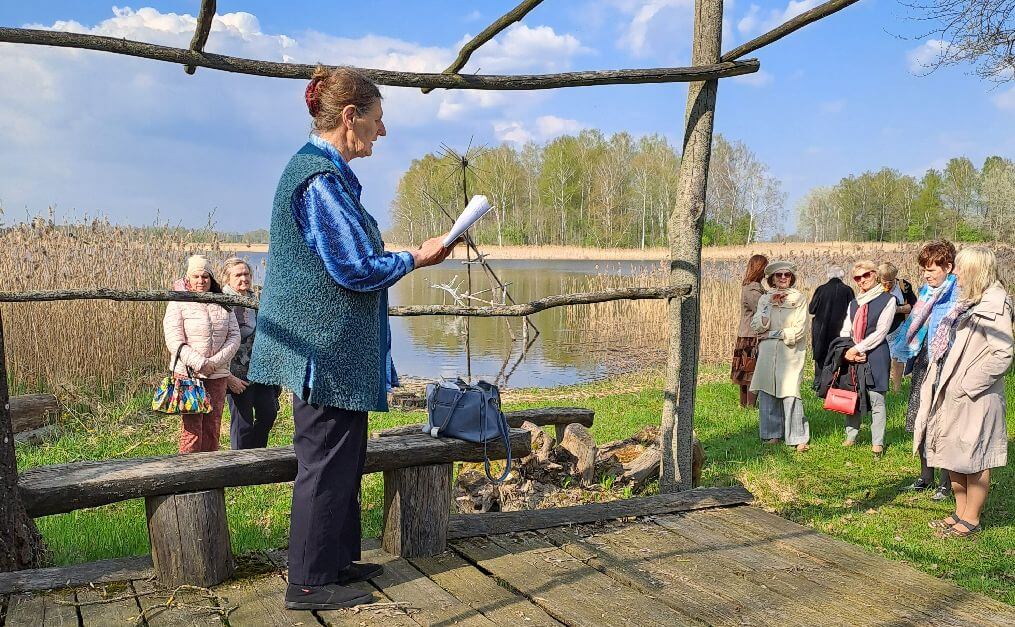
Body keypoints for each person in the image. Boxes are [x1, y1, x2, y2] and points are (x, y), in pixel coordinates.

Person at [248, 66, 455, 611]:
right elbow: (355, 267)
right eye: (378, 120)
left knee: (343, 457)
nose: (381, 132)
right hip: (324, 353)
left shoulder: (324, 174)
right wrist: (418, 256)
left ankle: (336, 562)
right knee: (323, 463)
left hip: (334, 351)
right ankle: (310, 582)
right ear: (349, 118)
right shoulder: (318, 180)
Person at [914, 247, 1012, 538]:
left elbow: (1003, 354)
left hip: (975, 397)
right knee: (952, 453)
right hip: (948, 388)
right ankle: (959, 510)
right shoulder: (967, 301)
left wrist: (967, 384)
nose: (955, 272)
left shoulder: (996, 305)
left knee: (975, 456)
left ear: (976, 270)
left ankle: (972, 517)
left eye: (960, 268)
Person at [892, 241, 959, 500]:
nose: (926, 275)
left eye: (931, 269)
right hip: (925, 358)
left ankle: (945, 482)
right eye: (924, 270)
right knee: (920, 413)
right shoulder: (926, 291)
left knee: (942, 419)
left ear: (948, 267)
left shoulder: (957, 293)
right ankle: (925, 475)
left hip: (946, 360)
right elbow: (919, 323)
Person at [162, 254, 240, 453]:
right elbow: (174, 340)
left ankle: (211, 478)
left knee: (213, 427)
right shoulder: (178, 302)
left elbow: (234, 336)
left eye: (205, 276)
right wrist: (200, 363)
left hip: (217, 374)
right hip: (189, 375)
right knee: (192, 429)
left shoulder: (223, 303)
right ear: (188, 278)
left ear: (211, 278)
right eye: (196, 276)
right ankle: (187, 477)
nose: (201, 281)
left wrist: (214, 363)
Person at [749, 261, 810, 451]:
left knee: (791, 391)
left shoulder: (799, 298)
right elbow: (758, 326)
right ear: (771, 279)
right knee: (768, 390)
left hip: (790, 352)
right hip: (768, 352)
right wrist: (769, 306)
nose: (783, 278)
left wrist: (774, 334)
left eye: (787, 275)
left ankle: (798, 437)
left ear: (792, 278)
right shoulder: (765, 299)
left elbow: (799, 330)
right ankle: (772, 434)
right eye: (779, 275)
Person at [221, 258, 280, 450]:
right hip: (236, 372)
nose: (243, 278)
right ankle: (238, 466)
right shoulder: (221, 303)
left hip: (260, 370)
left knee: (268, 413)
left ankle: (257, 457)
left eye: (246, 274)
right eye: (238, 275)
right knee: (242, 422)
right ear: (227, 279)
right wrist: (228, 377)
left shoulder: (256, 300)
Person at [839, 260, 896, 457]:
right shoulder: (854, 303)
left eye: (866, 275)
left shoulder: (888, 300)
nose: (862, 280)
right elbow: (847, 328)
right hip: (854, 354)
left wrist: (858, 348)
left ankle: (877, 442)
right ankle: (851, 435)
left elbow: (881, 332)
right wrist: (849, 350)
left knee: (877, 398)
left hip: (877, 354)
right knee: (852, 395)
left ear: (874, 274)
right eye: (858, 277)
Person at [731, 254, 768, 408]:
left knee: (745, 372)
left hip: (746, 334)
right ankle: (750, 406)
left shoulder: (749, 286)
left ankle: (744, 405)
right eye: (765, 267)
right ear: (760, 269)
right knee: (751, 372)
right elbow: (762, 311)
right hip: (752, 336)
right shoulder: (754, 289)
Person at [808, 265, 855, 381]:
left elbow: (811, 309)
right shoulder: (848, 290)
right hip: (841, 329)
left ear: (828, 275)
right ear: (842, 276)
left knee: (820, 355)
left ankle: (818, 382)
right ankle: (836, 381)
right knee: (838, 355)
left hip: (821, 329)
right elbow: (854, 311)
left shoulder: (821, 289)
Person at [878, 261, 917, 392]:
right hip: (881, 329)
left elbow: (914, 306)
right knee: (883, 359)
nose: (887, 284)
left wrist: (898, 309)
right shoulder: (874, 287)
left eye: (891, 281)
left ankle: (897, 389)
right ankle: (882, 386)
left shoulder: (904, 286)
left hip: (900, 327)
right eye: (884, 281)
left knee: (897, 357)